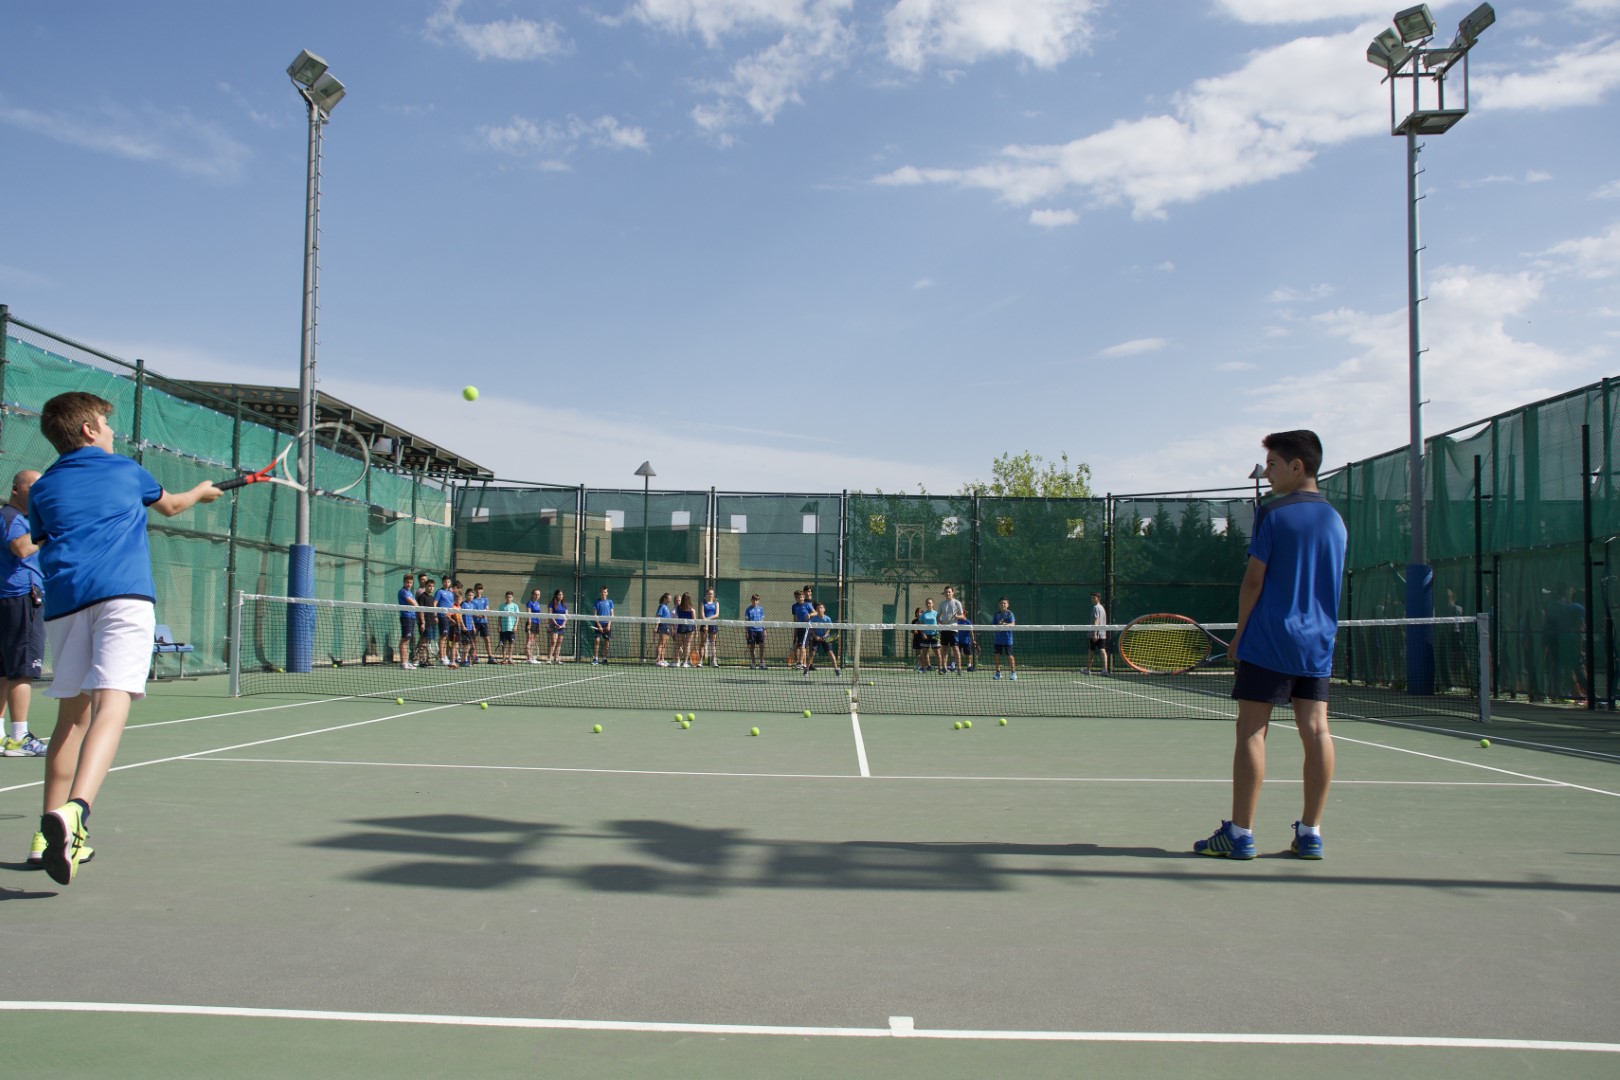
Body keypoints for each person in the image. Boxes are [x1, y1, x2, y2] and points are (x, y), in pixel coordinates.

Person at [25, 392, 220, 883]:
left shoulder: (42, 488)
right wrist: (200, 491)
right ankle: (76, 814)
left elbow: (42, 539)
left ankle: (45, 836)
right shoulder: (127, 470)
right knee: (112, 703)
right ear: (89, 430)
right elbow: (172, 506)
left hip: (65, 603)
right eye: (106, 425)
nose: (113, 432)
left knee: (70, 717)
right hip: (123, 597)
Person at [1194, 429, 1346, 862]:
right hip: (1318, 643)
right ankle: (1311, 834)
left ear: (1298, 466)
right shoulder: (1336, 520)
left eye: (1273, 465)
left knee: (1251, 730)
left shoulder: (1272, 513)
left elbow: (1253, 581)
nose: (1267, 473)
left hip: (1270, 639)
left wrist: (1240, 635)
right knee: (1318, 731)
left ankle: (1240, 835)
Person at [1, 470, 49, 759]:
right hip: (20, 598)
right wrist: (48, 526)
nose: (39, 491)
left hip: (12, 599)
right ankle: (19, 737)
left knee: (5, 670)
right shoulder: (11, 518)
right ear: (17, 489)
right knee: (21, 669)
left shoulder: (20, 519)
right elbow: (20, 548)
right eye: (34, 487)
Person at [803, 601, 840, 674]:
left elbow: (829, 629)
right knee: (812, 653)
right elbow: (811, 629)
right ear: (816, 610)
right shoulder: (813, 619)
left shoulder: (827, 619)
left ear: (824, 609)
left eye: (821, 608)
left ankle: (836, 669)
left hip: (825, 639)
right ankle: (806, 669)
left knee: (831, 653)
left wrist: (825, 636)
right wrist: (815, 636)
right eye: (818, 608)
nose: (819, 609)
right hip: (816, 639)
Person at [938, 585, 964, 673]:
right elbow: (938, 616)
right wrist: (940, 622)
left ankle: (959, 668)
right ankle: (944, 668)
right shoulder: (942, 604)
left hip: (953, 629)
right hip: (944, 629)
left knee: (955, 648)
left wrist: (957, 616)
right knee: (944, 649)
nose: (947, 593)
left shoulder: (957, 603)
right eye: (946, 592)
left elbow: (962, 616)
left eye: (949, 592)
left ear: (952, 593)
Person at [434, 575, 459, 667]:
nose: (446, 583)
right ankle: (441, 658)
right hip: (442, 616)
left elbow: (452, 605)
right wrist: (435, 615)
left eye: (448, 582)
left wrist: (452, 618)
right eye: (445, 581)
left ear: (450, 583)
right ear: (442, 582)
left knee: (446, 637)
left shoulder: (451, 593)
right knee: (443, 636)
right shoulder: (439, 592)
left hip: (449, 617)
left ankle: (444, 656)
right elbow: (435, 603)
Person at [395, 572, 419, 670]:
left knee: (407, 640)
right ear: (404, 582)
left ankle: (406, 661)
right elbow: (413, 603)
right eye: (407, 582)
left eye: (410, 582)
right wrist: (416, 605)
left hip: (412, 617)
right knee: (404, 640)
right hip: (406, 617)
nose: (409, 584)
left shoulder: (410, 593)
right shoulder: (403, 592)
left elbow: (416, 604)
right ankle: (403, 663)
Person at [992, 597, 1016, 680]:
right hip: (998, 640)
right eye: (1001, 603)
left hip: (1007, 639)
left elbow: (1013, 624)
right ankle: (998, 673)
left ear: (1007, 605)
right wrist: (998, 627)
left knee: (1009, 656)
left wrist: (1005, 625)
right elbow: (993, 626)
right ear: (999, 605)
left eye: (1004, 603)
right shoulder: (996, 614)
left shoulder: (1010, 614)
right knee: (997, 655)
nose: (1003, 605)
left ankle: (1013, 673)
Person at [1087, 591, 1110, 675]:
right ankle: (1104, 670)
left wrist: (1095, 633)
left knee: (1091, 651)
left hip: (1095, 634)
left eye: (1094, 598)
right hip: (1102, 634)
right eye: (1092, 598)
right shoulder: (1102, 608)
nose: (1092, 599)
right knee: (1101, 650)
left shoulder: (1096, 608)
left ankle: (1088, 670)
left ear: (1098, 599)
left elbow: (1096, 620)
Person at [918, 597, 942, 672]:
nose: (928, 604)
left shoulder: (936, 614)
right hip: (926, 635)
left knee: (938, 652)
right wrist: (923, 633)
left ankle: (940, 669)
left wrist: (939, 631)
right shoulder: (923, 615)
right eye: (927, 603)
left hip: (935, 635)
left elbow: (939, 623)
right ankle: (923, 668)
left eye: (930, 603)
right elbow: (920, 625)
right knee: (924, 652)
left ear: (933, 604)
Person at [591, 585, 614, 664]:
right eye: (602, 592)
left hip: (607, 624)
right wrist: (599, 625)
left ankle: (604, 659)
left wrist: (609, 625)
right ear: (600, 593)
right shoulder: (597, 602)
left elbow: (612, 614)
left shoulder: (610, 602)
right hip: (599, 624)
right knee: (597, 640)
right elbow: (595, 615)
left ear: (607, 593)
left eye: (605, 592)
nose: (603, 593)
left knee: (606, 642)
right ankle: (595, 659)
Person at [790, 589, 811, 669]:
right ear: (796, 598)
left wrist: (810, 615)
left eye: (802, 597)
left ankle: (800, 663)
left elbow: (815, 612)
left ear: (804, 597)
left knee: (802, 646)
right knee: (799, 646)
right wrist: (795, 628)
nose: (800, 599)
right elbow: (795, 617)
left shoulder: (807, 605)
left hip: (806, 627)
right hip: (799, 627)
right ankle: (803, 664)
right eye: (798, 597)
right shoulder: (794, 606)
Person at [674, 591, 697, 666]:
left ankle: (677, 662)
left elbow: (678, 614)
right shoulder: (692, 609)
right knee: (687, 644)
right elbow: (694, 621)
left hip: (681, 627)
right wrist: (696, 630)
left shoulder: (678, 608)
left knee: (678, 645)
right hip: (689, 628)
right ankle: (685, 662)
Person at [700, 587, 721, 668]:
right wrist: (705, 622)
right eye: (709, 594)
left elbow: (717, 615)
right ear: (706, 594)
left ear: (713, 595)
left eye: (711, 594)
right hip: (704, 625)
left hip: (713, 625)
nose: (710, 595)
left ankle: (713, 661)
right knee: (702, 643)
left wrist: (707, 620)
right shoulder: (703, 603)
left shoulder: (716, 603)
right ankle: (700, 661)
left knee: (713, 643)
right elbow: (702, 614)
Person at [498, 591, 520, 664]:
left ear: (512, 598)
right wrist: (499, 626)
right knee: (504, 644)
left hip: (511, 628)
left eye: (510, 597)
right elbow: (499, 617)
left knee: (511, 643)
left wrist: (515, 626)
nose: (508, 598)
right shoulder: (501, 606)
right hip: (503, 628)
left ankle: (510, 658)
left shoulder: (515, 606)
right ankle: (504, 658)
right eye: (507, 597)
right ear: (505, 597)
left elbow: (517, 617)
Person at [745, 593, 766, 669]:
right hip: (751, 630)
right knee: (752, 647)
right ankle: (753, 663)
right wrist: (746, 631)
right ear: (751, 600)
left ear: (758, 601)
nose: (755, 601)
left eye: (756, 600)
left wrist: (764, 629)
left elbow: (762, 620)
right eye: (753, 599)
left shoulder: (761, 609)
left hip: (760, 630)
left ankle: (761, 662)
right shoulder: (748, 609)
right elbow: (746, 621)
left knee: (762, 646)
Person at [547, 589, 568, 663]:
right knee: (553, 642)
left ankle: (556, 658)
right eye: (559, 594)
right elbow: (550, 614)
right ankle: (549, 659)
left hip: (562, 626)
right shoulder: (551, 603)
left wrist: (563, 624)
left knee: (559, 643)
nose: (561, 596)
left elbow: (566, 615)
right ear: (556, 595)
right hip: (554, 625)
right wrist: (555, 623)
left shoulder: (564, 605)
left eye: (562, 594)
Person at [654, 592, 674, 666]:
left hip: (667, 626)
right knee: (661, 643)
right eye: (669, 598)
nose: (670, 600)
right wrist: (656, 627)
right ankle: (658, 661)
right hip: (662, 626)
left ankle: (662, 659)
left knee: (665, 644)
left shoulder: (666, 607)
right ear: (665, 598)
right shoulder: (661, 606)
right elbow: (657, 616)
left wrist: (671, 627)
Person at [526, 588, 546, 663]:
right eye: (535, 594)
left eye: (538, 595)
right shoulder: (529, 603)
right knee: (529, 641)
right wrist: (529, 624)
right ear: (532, 595)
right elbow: (528, 613)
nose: (537, 596)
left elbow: (538, 615)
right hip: (531, 623)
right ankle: (529, 658)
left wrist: (539, 625)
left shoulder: (538, 604)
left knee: (533, 642)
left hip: (537, 624)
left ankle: (531, 657)